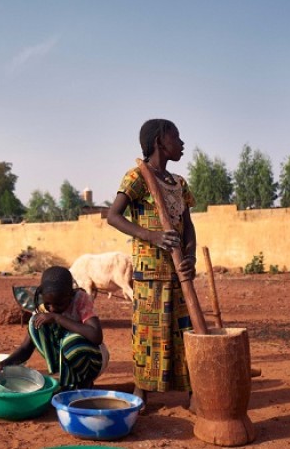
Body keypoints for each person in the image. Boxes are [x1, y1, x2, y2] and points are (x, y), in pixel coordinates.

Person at [107, 119, 197, 411]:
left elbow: (188, 226)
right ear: (160, 141)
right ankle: (141, 393)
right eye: (177, 137)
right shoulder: (137, 177)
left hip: (178, 273)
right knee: (149, 335)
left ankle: (195, 393)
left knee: (184, 332)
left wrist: (191, 257)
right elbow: (113, 216)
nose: (182, 143)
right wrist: (152, 236)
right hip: (150, 273)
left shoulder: (178, 183)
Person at [0, 266, 107, 390]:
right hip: (67, 358)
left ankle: (84, 383)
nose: (52, 308)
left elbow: (96, 336)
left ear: (70, 295)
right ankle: (66, 380)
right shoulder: (42, 308)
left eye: (59, 304)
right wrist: (4, 364)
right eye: (48, 304)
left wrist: (57, 318)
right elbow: (26, 348)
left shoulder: (80, 299)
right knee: (35, 322)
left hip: (92, 360)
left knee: (71, 342)